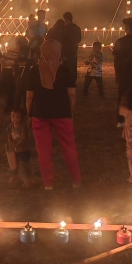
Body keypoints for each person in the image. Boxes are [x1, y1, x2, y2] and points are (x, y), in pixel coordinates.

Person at [26, 36, 81, 191]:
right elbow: (71, 95)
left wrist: (29, 115)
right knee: (69, 147)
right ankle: (76, 181)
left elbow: (29, 97)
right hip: (62, 113)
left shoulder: (34, 71)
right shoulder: (65, 70)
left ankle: (48, 183)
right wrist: (70, 112)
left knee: (43, 150)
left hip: (40, 114)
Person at [6, 108, 32, 185]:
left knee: (25, 165)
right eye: (13, 116)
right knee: (14, 164)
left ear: (22, 118)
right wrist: (11, 143)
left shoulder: (22, 127)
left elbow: (23, 138)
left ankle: (28, 179)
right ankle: (15, 177)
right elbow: (9, 135)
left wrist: (17, 145)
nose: (15, 119)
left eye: (17, 117)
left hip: (24, 149)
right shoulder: (11, 126)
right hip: (16, 149)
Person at [61, 12, 82, 83]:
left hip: (66, 50)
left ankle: (66, 81)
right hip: (74, 50)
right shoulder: (77, 28)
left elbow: (62, 39)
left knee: (66, 66)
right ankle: (73, 81)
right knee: (73, 66)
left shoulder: (64, 29)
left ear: (65, 19)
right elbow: (79, 39)